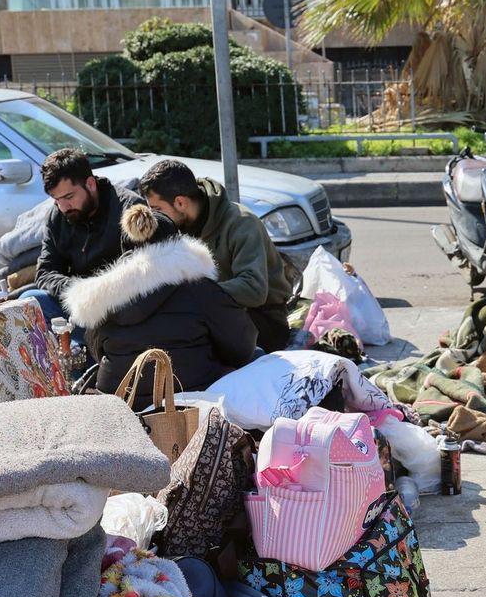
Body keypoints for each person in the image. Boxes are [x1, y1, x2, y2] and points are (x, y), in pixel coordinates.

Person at [64, 204, 257, 407]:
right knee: (258, 355)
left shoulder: (102, 297)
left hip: (122, 406)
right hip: (190, 402)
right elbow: (242, 347)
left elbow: (97, 351)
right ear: (177, 244)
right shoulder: (199, 288)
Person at [137, 159, 294, 354]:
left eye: (157, 209)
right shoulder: (175, 226)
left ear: (180, 202)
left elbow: (253, 289)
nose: (155, 217)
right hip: (211, 313)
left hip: (262, 319)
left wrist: (193, 294)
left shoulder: (241, 223)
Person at [27, 147, 144, 336]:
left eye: (69, 197)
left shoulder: (128, 209)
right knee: (31, 301)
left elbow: (141, 272)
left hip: (120, 311)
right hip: (79, 306)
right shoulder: (57, 216)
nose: (63, 207)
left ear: (90, 184)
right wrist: (79, 290)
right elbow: (46, 272)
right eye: (56, 200)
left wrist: (98, 292)